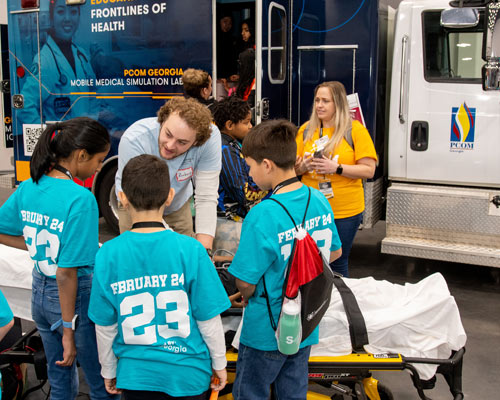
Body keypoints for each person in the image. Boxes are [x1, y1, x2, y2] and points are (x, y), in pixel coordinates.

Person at [89, 154, 231, 399]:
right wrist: (219, 363)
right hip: (188, 373)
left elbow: (105, 326)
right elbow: (208, 319)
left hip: (136, 376)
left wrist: (109, 369)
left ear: (121, 198)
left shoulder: (107, 254)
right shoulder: (191, 249)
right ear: (170, 196)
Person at [0, 118, 116, 400]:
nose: (100, 168)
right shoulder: (80, 199)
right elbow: (67, 272)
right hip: (73, 301)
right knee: (101, 380)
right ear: (81, 155)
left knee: (59, 377)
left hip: (39, 295)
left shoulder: (30, 186)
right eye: (100, 160)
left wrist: (33, 244)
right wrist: (68, 328)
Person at [228, 119, 342, 400]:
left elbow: (245, 281)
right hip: (305, 322)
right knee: (292, 391)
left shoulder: (262, 214)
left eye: (250, 165)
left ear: (267, 165)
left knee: (250, 392)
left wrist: (245, 293)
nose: (249, 172)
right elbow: (335, 253)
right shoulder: (318, 199)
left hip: (266, 330)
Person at [116, 96, 221, 253]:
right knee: (139, 258)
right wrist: (171, 241)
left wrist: (204, 252)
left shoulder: (209, 138)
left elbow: (206, 196)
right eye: (168, 134)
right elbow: (142, 204)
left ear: (196, 142)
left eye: (182, 142)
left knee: (187, 258)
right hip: (136, 204)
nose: (170, 145)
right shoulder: (134, 140)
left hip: (177, 205)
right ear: (162, 121)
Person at [295, 81, 377, 277]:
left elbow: (369, 170)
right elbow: (291, 169)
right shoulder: (306, 130)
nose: (319, 105)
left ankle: (339, 304)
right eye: (317, 100)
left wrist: (337, 168)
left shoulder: (354, 130)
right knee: (309, 260)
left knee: (337, 262)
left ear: (338, 104)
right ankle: (315, 304)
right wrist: (303, 167)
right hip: (311, 208)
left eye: (325, 101)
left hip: (344, 211)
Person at [17, 0, 96, 124]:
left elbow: (94, 96)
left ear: (79, 17)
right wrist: (49, 136)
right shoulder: (45, 60)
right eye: (60, 12)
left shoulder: (82, 56)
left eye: (74, 12)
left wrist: (93, 123)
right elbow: (24, 108)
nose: (68, 18)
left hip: (85, 136)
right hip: (61, 140)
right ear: (52, 18)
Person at [212, 96, 267, 253]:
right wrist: (270, 183)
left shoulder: (232, 145)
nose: (251, 126)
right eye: (246, 122)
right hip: (229, 226)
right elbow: (243, 194)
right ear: (229, 125)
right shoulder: (226, 150)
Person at [216, 11, 238, 100]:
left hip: (230, 81)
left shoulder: (233, 40)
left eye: (230, 23)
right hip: (219, 81)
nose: (227, 25)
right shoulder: (215, 39)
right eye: (225, 22)